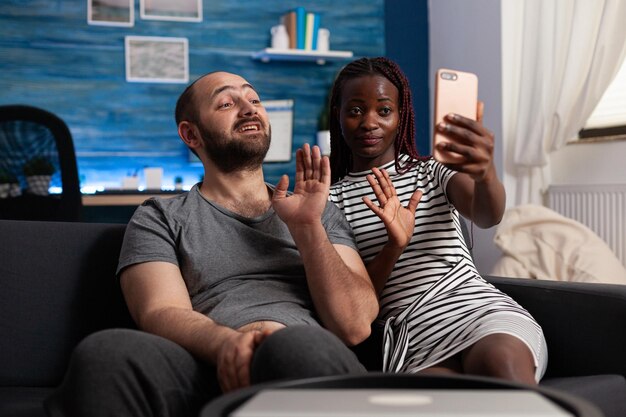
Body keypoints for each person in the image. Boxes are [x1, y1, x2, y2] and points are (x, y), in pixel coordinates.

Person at [45, 71, 378, 417]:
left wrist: (308, 228)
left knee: (291, 346)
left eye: (254, 100)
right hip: (205, 364)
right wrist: (228, 344)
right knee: (105, 350)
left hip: (302, 360)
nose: (248, 109)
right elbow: (159, 311)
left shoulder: (317, 211)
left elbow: (354, 326)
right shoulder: (160, 216)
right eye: (226, 103)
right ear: (191, 134)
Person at [328, 57, 547, 385]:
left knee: (502, 363)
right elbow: (355, 304)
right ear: (339, 115)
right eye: (355, 110)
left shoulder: (431, 171)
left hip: (479, 312)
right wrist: (393, 247)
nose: (369, 122)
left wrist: (485, 173)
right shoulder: (332, 201)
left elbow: (487, 215)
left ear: (401, 117)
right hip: (413, 337)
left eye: (384, 110)